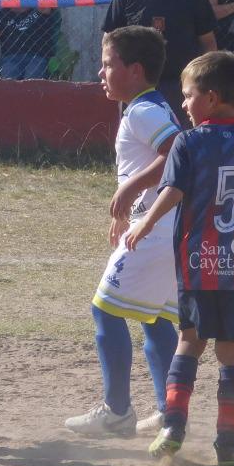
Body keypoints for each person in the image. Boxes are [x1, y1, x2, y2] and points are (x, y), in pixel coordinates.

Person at [124, 51, 234, 466]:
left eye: (187, 95)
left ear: (212, 98)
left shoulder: (189, 141)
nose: (183, 104)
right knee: (231, 352)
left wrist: (144, 222)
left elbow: (174, 191)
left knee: (188, 343)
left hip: (200, 261)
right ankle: (228, 442)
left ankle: (173, 427)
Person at [64, 27, 181, 440]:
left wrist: (129, 189)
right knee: (155, 318)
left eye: (109, 63)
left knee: (105, 309)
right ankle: (171, 413)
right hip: (164, 225)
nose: (101, 71)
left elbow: (175, 152)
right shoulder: (148, 105)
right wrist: (128, 208)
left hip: (153, 229)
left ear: (134, 70)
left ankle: (116, 413)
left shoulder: (142, 112)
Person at [102, 0, 218, 116]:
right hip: (136, 88)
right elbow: (109, 40)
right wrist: (111, 76)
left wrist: (205, 80)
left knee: (180, 142)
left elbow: (208, 41)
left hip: (181, 87)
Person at [0, 7, 61, 80]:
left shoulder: (40, 8)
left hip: (37, 56)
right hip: (11, 57)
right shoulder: (4, 13)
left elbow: (46, 4)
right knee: (9, 77)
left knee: (32, 78)